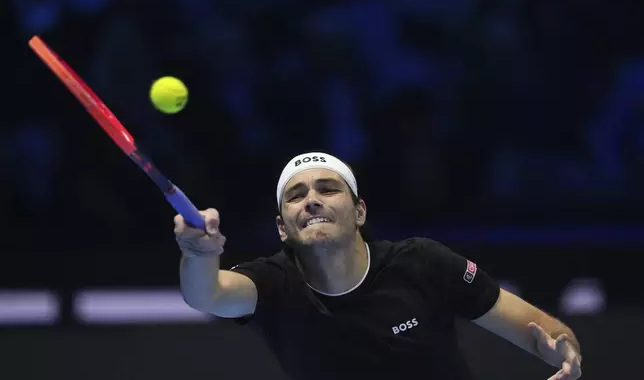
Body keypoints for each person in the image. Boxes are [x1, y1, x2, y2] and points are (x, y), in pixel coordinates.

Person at [175, 151, 582, 380]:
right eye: (296, 196)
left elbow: (542, 332)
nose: (312, 199)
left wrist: (563, 352)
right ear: (283, 228)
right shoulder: (272, 284)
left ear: (360, 211)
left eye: (328, 188)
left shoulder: (422, 263)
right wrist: (199, 254)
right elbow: (206, 295)